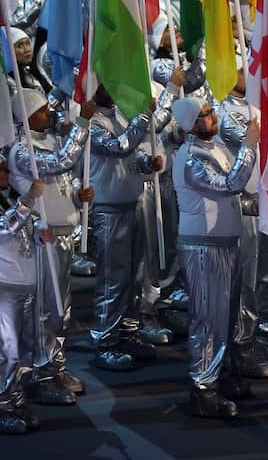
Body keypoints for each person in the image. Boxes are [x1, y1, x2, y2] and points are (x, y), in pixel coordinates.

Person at [171, 95, 260, 419]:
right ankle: (203, 388)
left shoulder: (217, 148)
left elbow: (234, 199)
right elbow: (229, 185)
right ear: (192, 125)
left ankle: (219, 373)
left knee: (226, 314)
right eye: (207, 115)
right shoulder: (191, 156)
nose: (214, 117)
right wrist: (250, 146)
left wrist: (257, 205)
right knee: (208, 318)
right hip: (203, 247)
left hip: (226, 243)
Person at [87, 73, 179, 372]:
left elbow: (130, 157)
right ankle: (105, 341)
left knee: (136, 276)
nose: (112, 89)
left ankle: (128, 331)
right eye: (104, 85)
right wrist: (144, 113)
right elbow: (119, 147)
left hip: (131, 204)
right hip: (108, 211)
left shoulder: (117, 117)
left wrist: (144, 164)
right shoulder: (89, 123)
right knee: (113, 280)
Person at [8, 89, 89, 402]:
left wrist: (78, 194)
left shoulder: (51, 140)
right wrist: (82, 123)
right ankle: (39, 375)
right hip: (42, 239)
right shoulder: (21, 151)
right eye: (41, 110)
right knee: (44, 308)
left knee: (60, 308)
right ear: (26, 117)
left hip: (62, 235)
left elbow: (65, 178)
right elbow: (60, 162)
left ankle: (54, 365)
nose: (48, 114)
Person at [0, 152, 54, 435]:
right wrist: (29, 199)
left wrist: (40, 239)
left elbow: (22, 236)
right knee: (4, 349)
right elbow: (3, 228)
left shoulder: (8, 199)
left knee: (24, 348)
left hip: (24, 285)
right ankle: (1, 404)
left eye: (6, 169)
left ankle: (17, 400)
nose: (6, 173)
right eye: (0, 169)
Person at [216, 65, 268, 380]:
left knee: (263, 278)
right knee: (244, 282)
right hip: (241, 207)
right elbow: (245, 137)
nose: (245, 73)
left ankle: (253, 338)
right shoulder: (221, 108)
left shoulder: (258, 104)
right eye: (238, 68)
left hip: (264, 204)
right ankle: (239, 346)